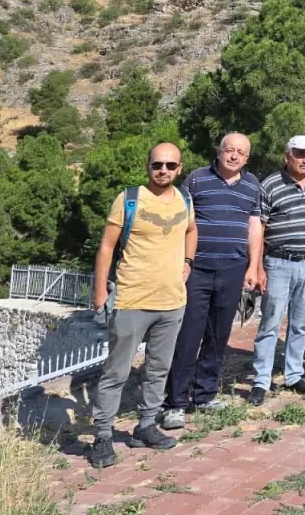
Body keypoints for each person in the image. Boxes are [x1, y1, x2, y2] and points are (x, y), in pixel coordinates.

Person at [87, 143, 196, 469]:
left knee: (158, 369)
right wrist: (99, 291)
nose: (163, 170)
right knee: (116, 372)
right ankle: (103, 435)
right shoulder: (129, 199)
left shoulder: (184, 199)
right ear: (148, 166)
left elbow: (191, 230)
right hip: (132, 299)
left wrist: (188, 260)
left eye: (170, 165)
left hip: (172, 301)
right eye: (157, 164)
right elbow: (106, 246)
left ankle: (146, 425)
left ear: (179, 168)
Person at [160, 133, 262, 430]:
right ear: (219, 152)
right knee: (188, 335)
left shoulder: (253, 185)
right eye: (229, 150)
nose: (233, 156)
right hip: (198, 269)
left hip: (233, 269)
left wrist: (253, 266)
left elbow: (254, 227)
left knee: (218, 337)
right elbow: (180, 219)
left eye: (240, 152)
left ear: (247, 157)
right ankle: (175, 403)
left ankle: (204, 395)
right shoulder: (196, 179)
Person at [248, 134, 305, 404]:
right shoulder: (270, 185)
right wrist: (257, 266)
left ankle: (294, 374)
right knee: (270, 322)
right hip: (279, 262)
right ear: (287, 156)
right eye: (300, 154)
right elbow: (259, 226)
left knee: (301, 323)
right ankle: (261, 380)